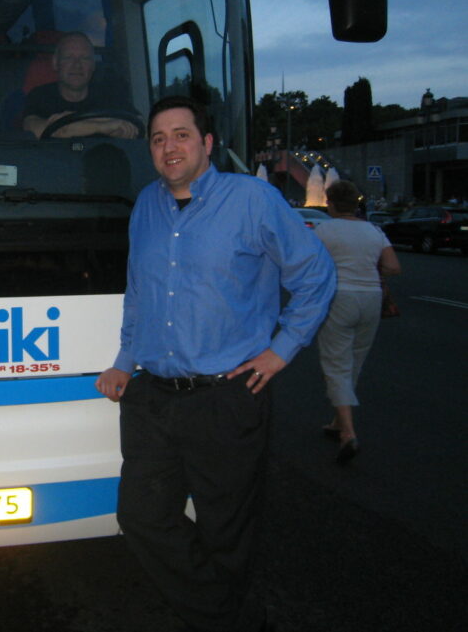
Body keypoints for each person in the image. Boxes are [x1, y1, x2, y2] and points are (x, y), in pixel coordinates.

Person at [95, 95, 336, 632]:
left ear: (206, 144)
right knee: (142, 516)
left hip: (226, 396)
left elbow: (315, 275)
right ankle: (234, 619)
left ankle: (223, 619)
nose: (169, 147)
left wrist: (281, 350)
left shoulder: (252, 200)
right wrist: (123, 360)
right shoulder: (146, 207)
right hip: (152, 395)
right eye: (158, 138)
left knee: (227, 530)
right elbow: (140, 293)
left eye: (181, 135)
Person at [313, 180, 401, 464]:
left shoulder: (324, 230)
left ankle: (347, 433)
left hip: (340, 298)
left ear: (332, 203)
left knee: (335, 362)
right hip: (371, 299)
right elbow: (393, 267)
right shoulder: (374, 231)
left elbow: (308, 263)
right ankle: (338, 420)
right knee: (355, 361)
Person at [21, 31, 140, 140]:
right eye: (69, 58)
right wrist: (105, 126)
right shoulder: (40, 95)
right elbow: (33, 130)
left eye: (84, 58)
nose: (77, 65)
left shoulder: (110, 94)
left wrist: (69, 126)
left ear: (93, 65)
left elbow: (141, 125)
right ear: (55, 63)